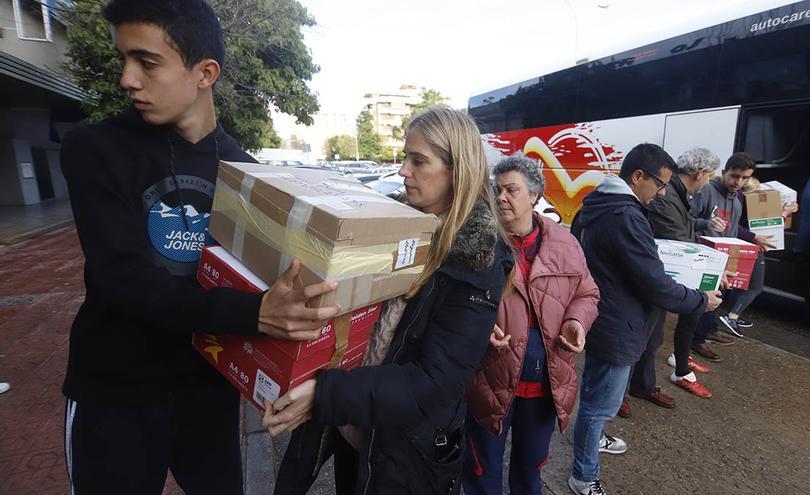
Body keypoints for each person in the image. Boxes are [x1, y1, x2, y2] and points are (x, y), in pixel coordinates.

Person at [60, 1, 340, 493]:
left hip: (207, 392)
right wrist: (256, 313)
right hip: (114, 393)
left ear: (204, 73)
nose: (128, 79)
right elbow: (123, 281)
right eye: (124, 59)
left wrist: (293, 373)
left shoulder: (248, 174)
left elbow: (281, 283)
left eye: (146, 62)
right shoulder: (94, 149)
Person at [262, 107, 515, 495]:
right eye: (404, 158)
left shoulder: (478, 260)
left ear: (457, 170)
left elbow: (433, 382)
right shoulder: (390, 226)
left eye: (418, 162)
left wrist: (325, 394)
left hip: (400, 454)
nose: (402, 172)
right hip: (350, 424)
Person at [567, 143, 721, 495]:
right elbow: (654, 283)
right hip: (618, 322)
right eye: (660, 183)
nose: (664, 191)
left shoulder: (599, 202)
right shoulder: (627, 216)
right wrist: (700, 300)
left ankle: (596, 441)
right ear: (638, 177)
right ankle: (583, 476)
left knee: (596, 392)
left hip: (603, 316)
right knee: (598, 403)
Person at [462, 155, 600, 495]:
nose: (501, 198)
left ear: (535, 195)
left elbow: (588, 293)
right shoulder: (478, 243)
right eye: (497, 190)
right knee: (481, 469)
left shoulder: (565, 244)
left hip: (545, 385)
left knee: (530, 468)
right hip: (489, 381)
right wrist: (479, 326)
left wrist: (575, 320)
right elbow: (455, 300)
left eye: (511, 190)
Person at [640, 147, 725, 401]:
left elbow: (685, 229)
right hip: (660, 274)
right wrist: (711, 267)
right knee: (646, 337)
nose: (710, 181)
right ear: (699, 173)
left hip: (666, 272)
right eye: (710, 175)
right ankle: (639, 387)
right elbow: (677, 239)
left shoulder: (678, 193)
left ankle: (645, 384)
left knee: (652, 337)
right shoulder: (669, 196)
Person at [689, 152, 772, 360]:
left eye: (745, 178)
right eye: (735, 176)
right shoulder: (706, 191)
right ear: (724, 172)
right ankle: (696, 341)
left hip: (724, 260)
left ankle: (708, 330)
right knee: (703, 300)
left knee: (719, 296)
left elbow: (733, 233)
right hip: (703, 257)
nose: (739, 182)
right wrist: (704, 228)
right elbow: (688, 220)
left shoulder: (737, 201)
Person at [720, 177, 798, 335]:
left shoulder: (738, 204)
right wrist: (785, 213)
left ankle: (733, 313)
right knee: (755, 287)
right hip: (753, 248)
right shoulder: (750, 209)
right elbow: (770, 231)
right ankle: (732, 317)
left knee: (741, 284)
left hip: (741, 246)